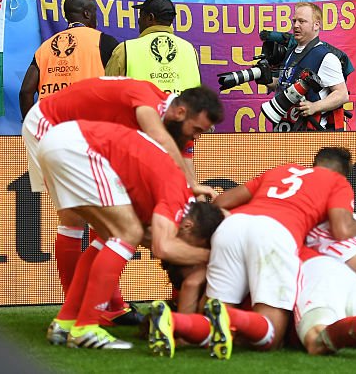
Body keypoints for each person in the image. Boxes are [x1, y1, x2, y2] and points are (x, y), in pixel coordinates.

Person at [41, 120, 222, 350]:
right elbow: (163, 248)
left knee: (110, 238)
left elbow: (154, 240)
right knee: (128, 233)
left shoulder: (173, 199)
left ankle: (65, 321)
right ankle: (85, 327)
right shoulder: (177, 200)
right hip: (80, 148)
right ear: (188, 226)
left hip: (60, 140)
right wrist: (211, 258)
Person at [204, 147, 356, 353]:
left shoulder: (281, 170)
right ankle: (235, 322)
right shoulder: (337, 182)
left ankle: (210, 320)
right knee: (271, 337)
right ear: (343, 173)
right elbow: (341, 230)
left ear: (314, 163)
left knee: (213, 322)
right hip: (275, 233)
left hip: (232, 227)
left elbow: (220, 202)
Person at [19, 0, 120, 115]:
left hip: (52, 123)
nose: (96, 17)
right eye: (94, 12)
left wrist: (29, 124)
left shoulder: (45, 46)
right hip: (89, 122)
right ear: (87, 14)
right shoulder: (103, 41)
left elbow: (26, 91)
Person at [271, 2, 353, 131]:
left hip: (309, 133)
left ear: (316, 25)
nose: (296, 25)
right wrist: (265, 78)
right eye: (294, 21)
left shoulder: (326, 57)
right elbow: (284, 83)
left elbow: (342, 95)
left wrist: (315, 107)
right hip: (285, 128)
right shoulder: (292, 51)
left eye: (302, 21)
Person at [105, 0, 202, 94]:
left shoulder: (125, 49)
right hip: (182, 109)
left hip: (141, 109)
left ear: (150, 18)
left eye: (140, 16)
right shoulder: (190, 49)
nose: (138, 20)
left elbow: (109, 91)